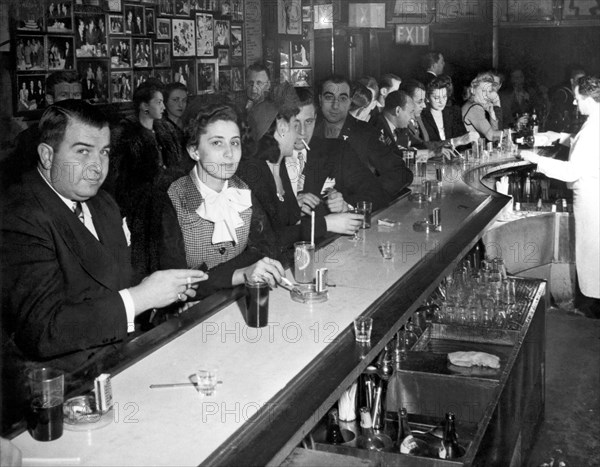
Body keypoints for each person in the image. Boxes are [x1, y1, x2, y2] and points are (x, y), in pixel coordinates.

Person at [1, 100, 206, 430]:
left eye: (105, 152)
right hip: (57, 397)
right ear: (47, 155)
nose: (97, 166)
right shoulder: (19, 215)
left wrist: (165, 293)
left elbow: (117, 282)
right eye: (83, 152)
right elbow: (44, 329)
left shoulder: (102, 202)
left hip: (117, 365)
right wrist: (142, 298)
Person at [163, 103, 285, 298]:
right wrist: (238, 273)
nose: (229, 153)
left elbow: (266, 248)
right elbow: (174, 285)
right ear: (194, 150)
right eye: (217, 143)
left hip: (232, 299)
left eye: (234, 142)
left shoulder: (242, 190)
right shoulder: (173, 198)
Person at [238, 84, 368, 251]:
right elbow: (267, 240)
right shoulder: (253, 173)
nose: (301, 134)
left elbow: (288, 221)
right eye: (295, 125)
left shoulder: (278, 166)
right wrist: (326, 224)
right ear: (282, 128)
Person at [521, 75, 600, 317]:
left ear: (588, 98)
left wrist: (536, 160)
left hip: (590, 198)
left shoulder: (592, 128)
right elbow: (586, 150)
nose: (575, 103)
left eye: (577, 98)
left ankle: (593, 311)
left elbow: (572, 171)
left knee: (591, 255)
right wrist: (560, 136)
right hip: (593, 195)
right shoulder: (595, 122)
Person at [113, 80, 192, 281]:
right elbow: (119, 178)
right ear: (144, 106)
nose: (164, 107)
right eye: (159, 102)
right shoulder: (126, 135)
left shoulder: (168, 130)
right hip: (139, 210)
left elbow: (181, 164)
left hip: (169, 204)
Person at [312, 74, 413, 198]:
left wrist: (361, 200)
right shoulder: (307, 129)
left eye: (342, 98)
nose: (335, 105)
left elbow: (401, 173)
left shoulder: (365, 133)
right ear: (320, 99)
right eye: (329, 97)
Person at [1, 71, 82, 193]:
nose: (71, 100)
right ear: (50, 99)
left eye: (76, 95)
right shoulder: (32, 137)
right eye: (64, 95)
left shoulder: (93, 132)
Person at [420, 77, 478, 147]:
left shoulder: (454, 112)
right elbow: (426, 145)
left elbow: (462, 139)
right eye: (436, 98)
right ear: (427, 98)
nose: (441, 101)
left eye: (444, 97)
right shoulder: (421, 116)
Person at [462, 73, 503, 142]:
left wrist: (491, 113)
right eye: (483, 91)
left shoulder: (473, 104)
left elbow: (494, 134)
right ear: (473, 90)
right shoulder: (474, 108)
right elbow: (492, 136)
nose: (487, 95)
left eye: (489, 91)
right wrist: (511, 132)